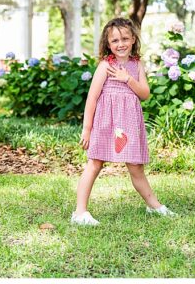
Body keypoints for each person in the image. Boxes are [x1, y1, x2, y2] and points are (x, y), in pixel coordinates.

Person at [72, 18, 175, 226]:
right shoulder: (105, 65)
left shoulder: (136, 65)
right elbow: (92, 98)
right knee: (95, 163)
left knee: (136, 167)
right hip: (105, 122)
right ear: (108, 44)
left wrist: (127, 78)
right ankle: (80, 212)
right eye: (115, 40)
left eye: (125, 38)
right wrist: (87, 128)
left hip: (128, 123)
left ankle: (154, 206)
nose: (121, 44)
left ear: (133, 39)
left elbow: (145, 94)